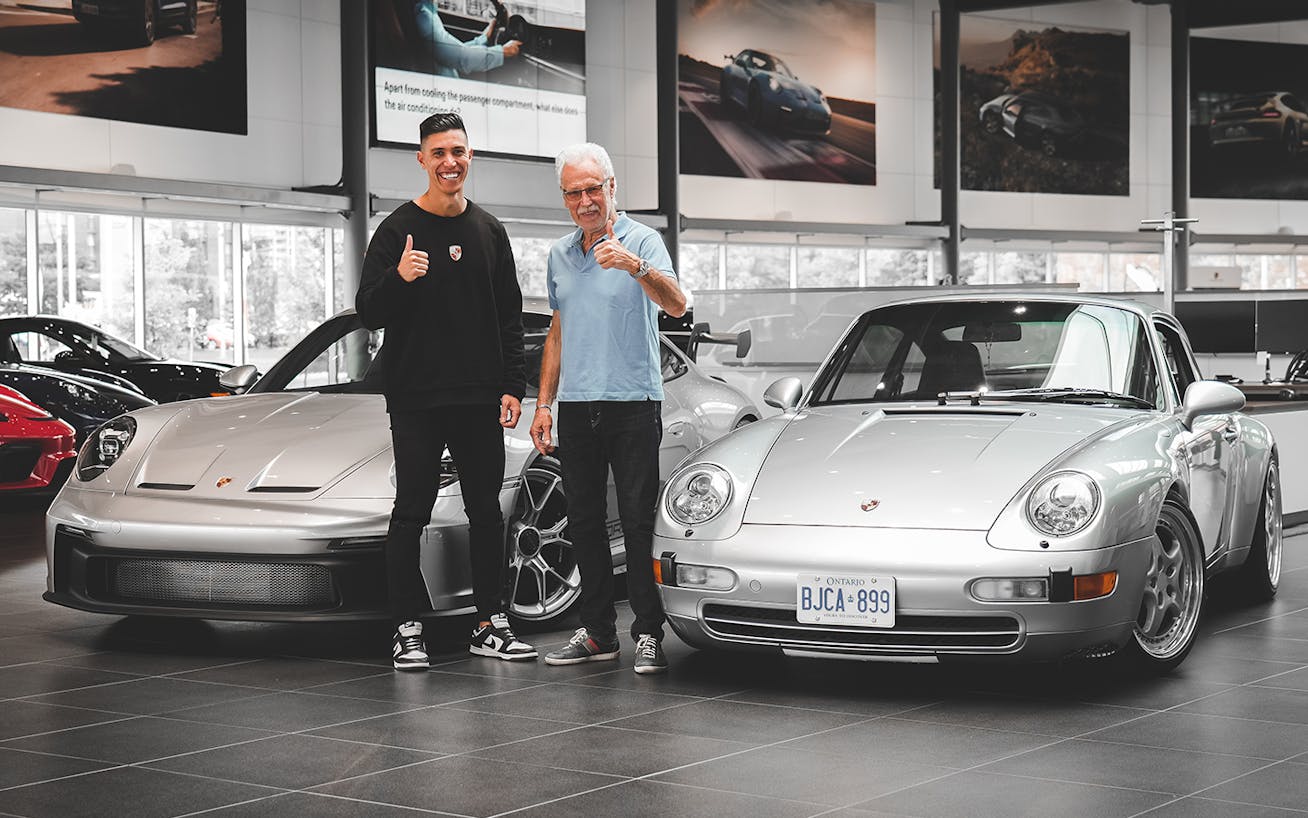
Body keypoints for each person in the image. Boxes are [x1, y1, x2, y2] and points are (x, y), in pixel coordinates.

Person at [356, 111, 536, 671]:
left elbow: (510, 318)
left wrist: (512, 385)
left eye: (458, 151)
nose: (449, 162)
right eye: (438, 153)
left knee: (487, 512)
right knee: (411, 511)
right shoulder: (395, 231)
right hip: (416, 397)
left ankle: (490, 622)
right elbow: (368, 311)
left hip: (480, 396)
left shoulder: (489, 231)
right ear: (422, 160)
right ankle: (407, 627)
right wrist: (399, 278)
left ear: (470, 157)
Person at [530, 142, 688, 675]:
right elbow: (557, 332)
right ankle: (599, 632)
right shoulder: (559, 254)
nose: (584, 201)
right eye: (573, 193)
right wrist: (543, 403)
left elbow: (677, 303)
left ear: (612, 188)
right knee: (585, 522)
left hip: (633, 403)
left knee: (639, 522)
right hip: (576, 407)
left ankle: (647, 633)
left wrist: (635, 265)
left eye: (592, 189)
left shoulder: (643, 240)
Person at [413, 0, 522, 78]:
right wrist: (503, 52)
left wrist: (484, 38)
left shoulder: (426, 9)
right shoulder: (423, 14)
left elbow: (451, 51)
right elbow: (460, 57)